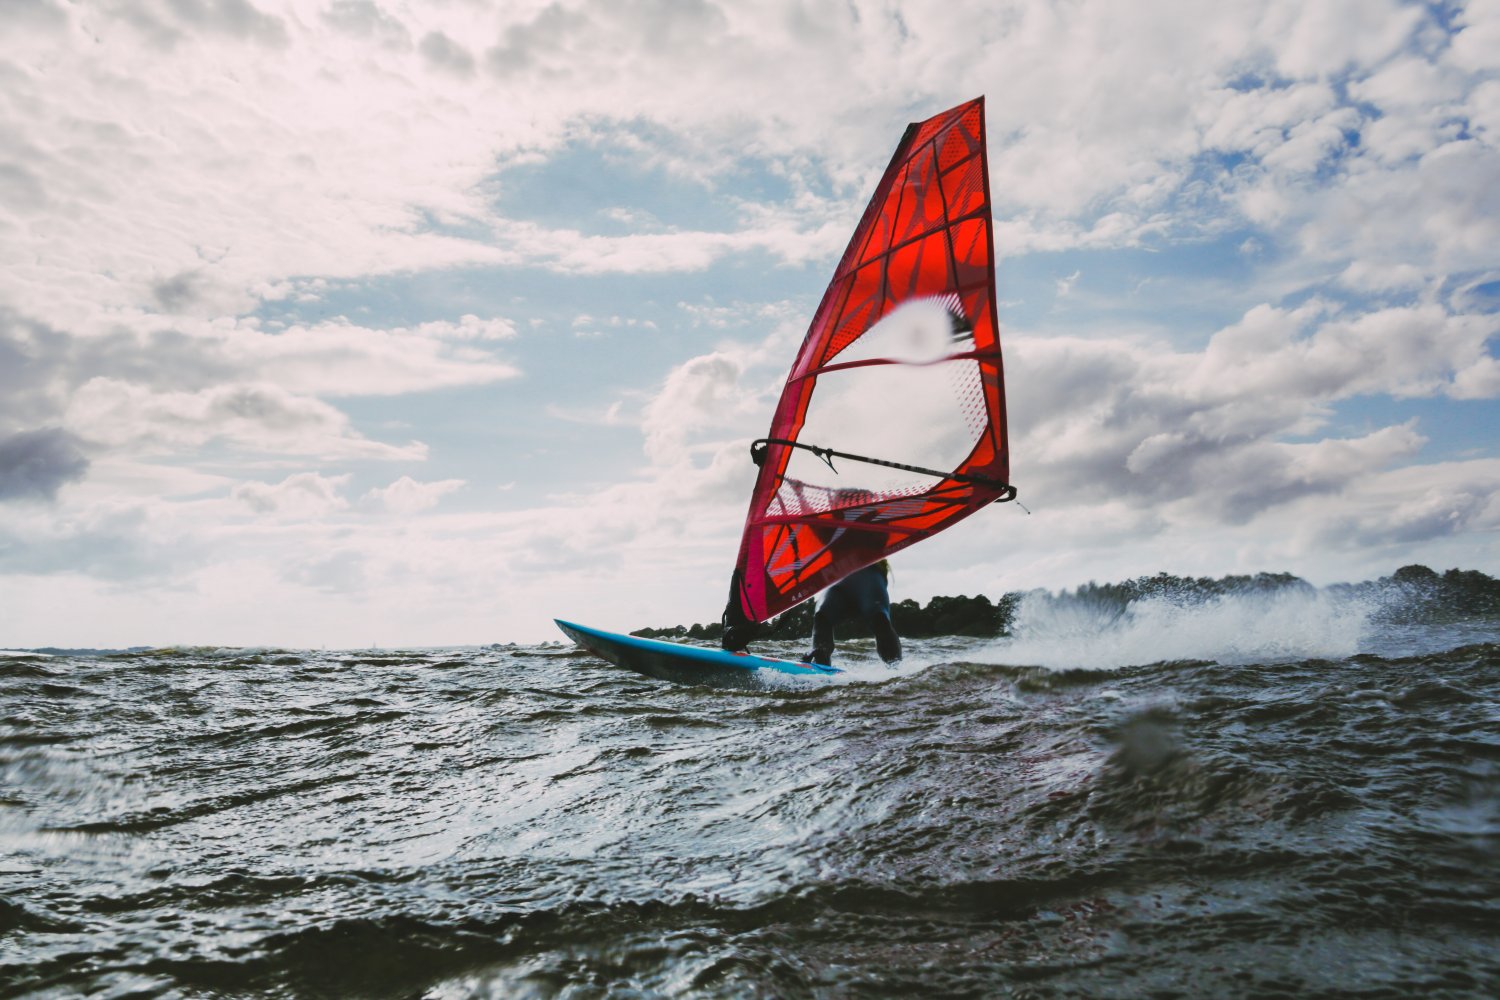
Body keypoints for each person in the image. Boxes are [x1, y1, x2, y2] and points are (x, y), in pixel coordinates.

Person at [805, 559, 902, 666]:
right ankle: (821, 665)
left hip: (870, 572)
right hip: (838, 576)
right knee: (821, 616)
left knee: (880, 619)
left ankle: (896, 669)